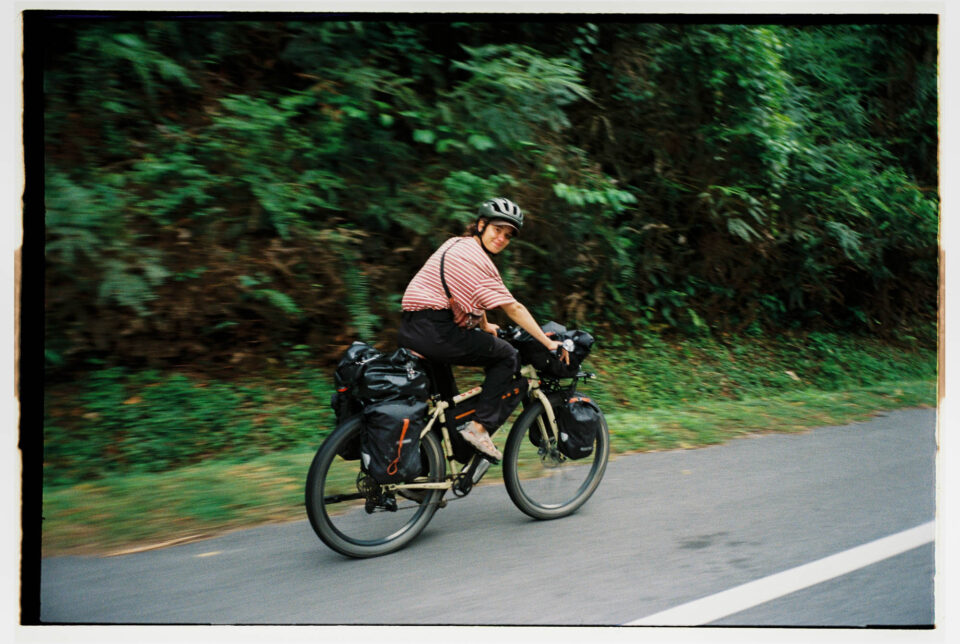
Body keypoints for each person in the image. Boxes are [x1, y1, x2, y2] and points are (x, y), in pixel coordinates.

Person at [398, 198, 568, 461]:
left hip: (412, 328)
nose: (502, 238)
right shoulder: (477, 258)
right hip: (436, 331)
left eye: (508, 235)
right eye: (497, 230)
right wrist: (548, 344)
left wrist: (485, 325)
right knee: (507, 355)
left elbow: (470, 295)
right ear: (481, 225)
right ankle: (479, 429)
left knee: (448, 405)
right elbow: (514, 309)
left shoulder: (455, 244)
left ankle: (430, 471)